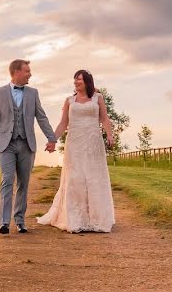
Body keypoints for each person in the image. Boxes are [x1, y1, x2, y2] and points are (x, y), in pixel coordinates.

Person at [37, 69, 115, 233]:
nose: (76, 82)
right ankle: (76, 218)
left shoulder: (98, 98)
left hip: (93, 143)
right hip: (75, 144)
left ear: (87, 81)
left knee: (94, 178)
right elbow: (63, 124)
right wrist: (53, 140)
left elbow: (104, 119)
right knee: (76, 178)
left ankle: (96, 219)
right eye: (75, 79)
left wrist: (110, 135)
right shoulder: (69, 101)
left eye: (79, 79)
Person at [0, 59, 57, 234]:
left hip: (27, 144)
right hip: (6, 145)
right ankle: (4, 222)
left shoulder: (33, 93)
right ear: (16, 72)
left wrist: (52, 138)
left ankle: (19, 220)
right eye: (27, 71)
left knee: (23, 184)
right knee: (7, 181)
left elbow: (41, 117)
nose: (30, 74)